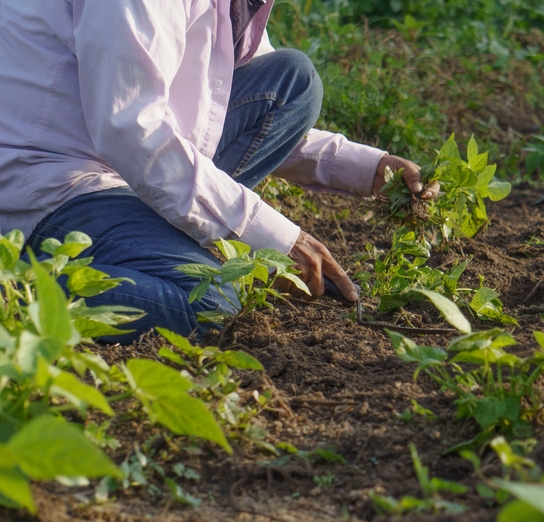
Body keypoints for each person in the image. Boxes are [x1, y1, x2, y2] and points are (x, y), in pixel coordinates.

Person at [0, 0, 432, 342]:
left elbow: (219, 104)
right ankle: (19, 283)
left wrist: (370, 167)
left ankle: (160, 242)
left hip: (116, 163)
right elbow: (131, 129)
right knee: (208, 300)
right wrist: (274, 236)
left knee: (292, 82)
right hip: (50, 179)